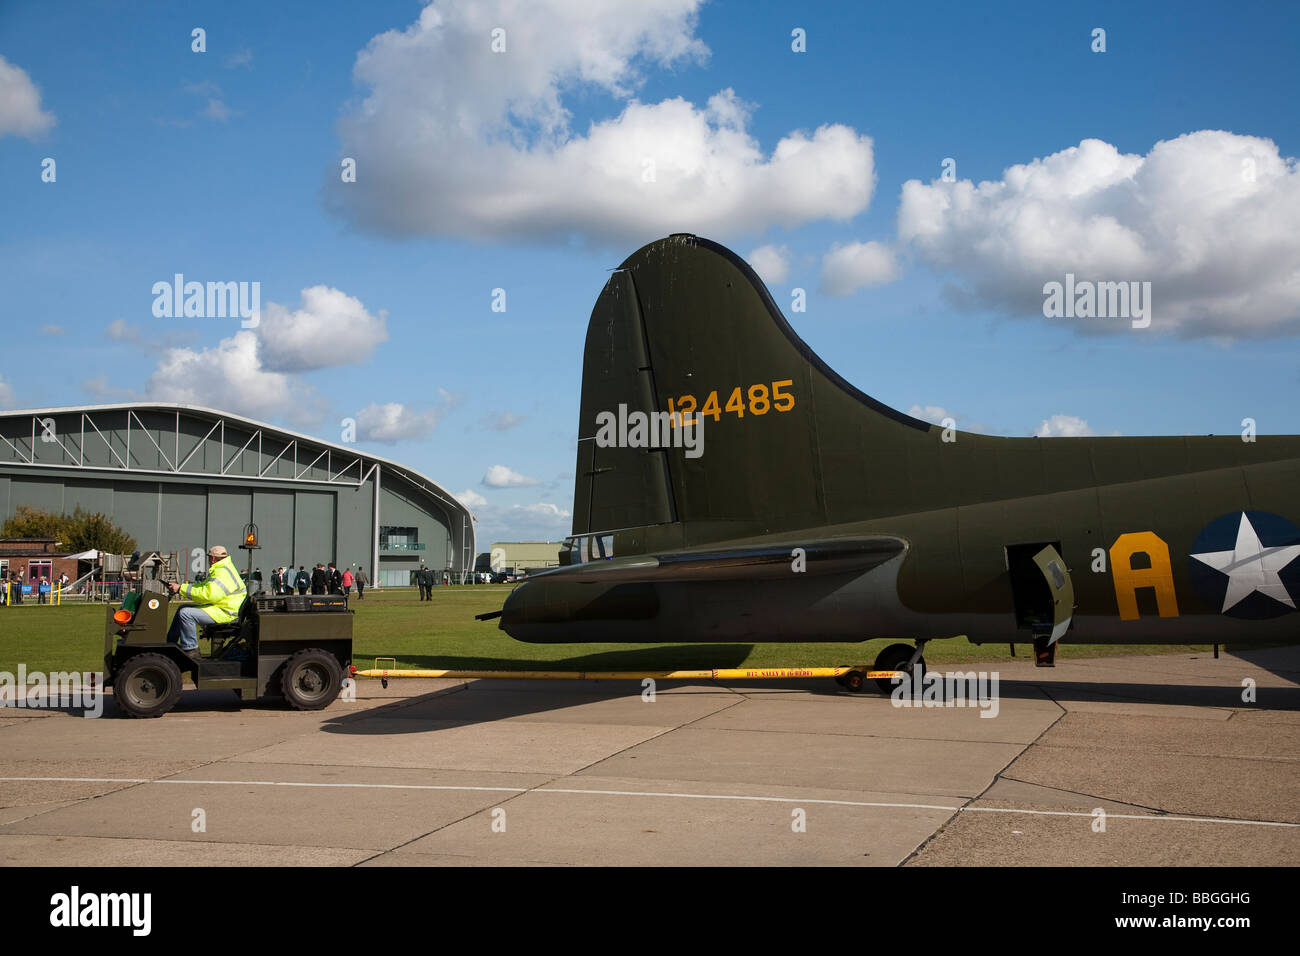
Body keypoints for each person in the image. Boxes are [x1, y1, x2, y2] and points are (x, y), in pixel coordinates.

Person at [165, 545, 246, 662]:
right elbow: (203, 587)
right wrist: (181, 587)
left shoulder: (221, 573)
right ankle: (169, 644)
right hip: (222, 608)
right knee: (183, 607)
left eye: (209, 558)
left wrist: (180, 589)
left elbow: (208, 595)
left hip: (225, 612)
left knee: (185, 613)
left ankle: (191, 650)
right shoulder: (222, 568)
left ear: (212, 558)